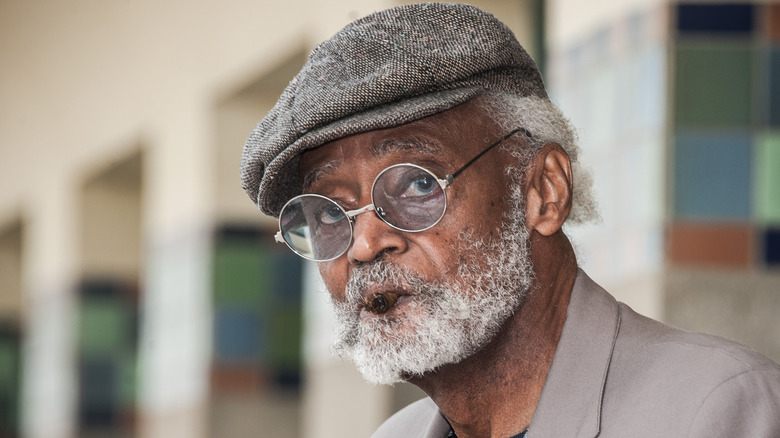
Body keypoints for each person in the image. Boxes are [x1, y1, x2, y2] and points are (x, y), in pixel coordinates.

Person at [241, 3, 780, 437]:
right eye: (329, 211)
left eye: (418, 183)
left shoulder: (714, 409)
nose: (364, 244)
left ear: (544, 191)